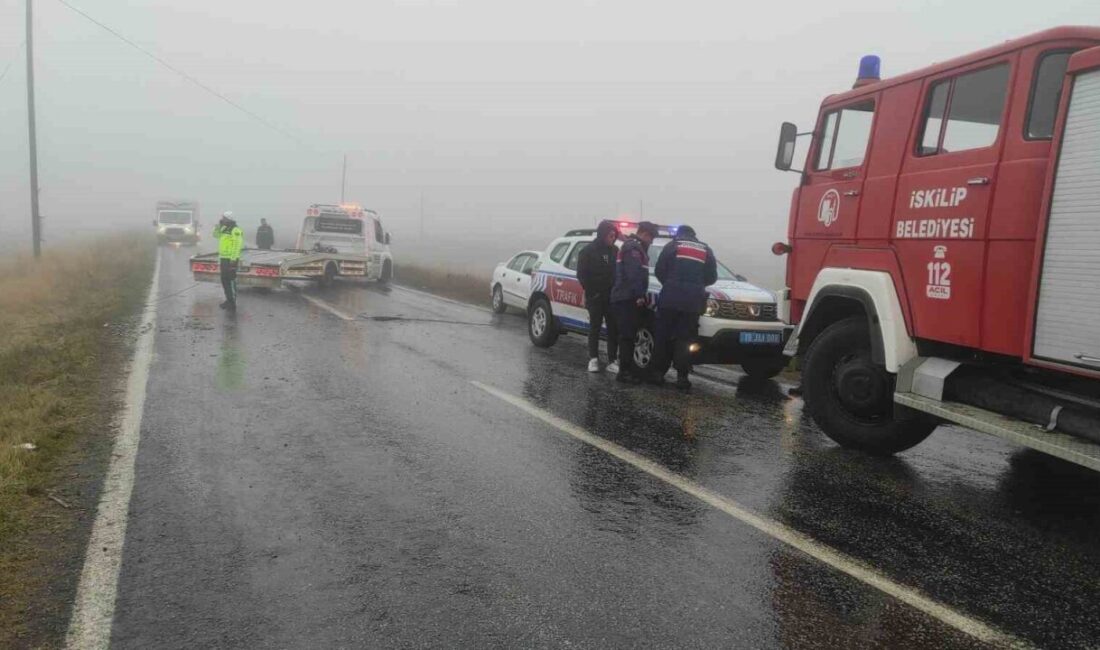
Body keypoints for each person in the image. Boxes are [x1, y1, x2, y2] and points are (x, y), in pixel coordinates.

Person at [653, 225, 718, 390]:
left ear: (679, 234)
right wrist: (697, 286)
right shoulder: (705, 249)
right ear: (694, 235)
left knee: (663, 337)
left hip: (670, 299)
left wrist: (670, 284)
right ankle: (682, 378)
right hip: (692, 303)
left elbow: (659, 270)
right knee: (685, 339)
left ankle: (658, 374)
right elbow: (712, 277)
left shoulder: (672, 246)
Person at [610, 221, 658, 384]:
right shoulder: (633, 248)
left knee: (628, 336)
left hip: (626, 297)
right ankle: (624, 372)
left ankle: (627, 370)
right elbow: (633, 274)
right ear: (644, 234)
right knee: (627, 336)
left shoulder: (635, 247)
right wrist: (639, 295)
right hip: (626, 298)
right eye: (651, 238)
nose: (651, 241)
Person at [577, 221, 620, 373]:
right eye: (610, 236)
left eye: (614, 236)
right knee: (595, 327)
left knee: (613, 328)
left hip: (611, 297)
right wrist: (591, 290)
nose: (612, 239)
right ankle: (593, 359)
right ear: (603, 234)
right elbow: (581, 274)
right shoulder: (588, 251)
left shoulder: (615, 250)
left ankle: (612, 360)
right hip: (595, 296)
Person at [212, 211, 244, 310]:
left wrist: (233, 259)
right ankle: (228, 299)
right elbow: (215, 235)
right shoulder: (224, 228)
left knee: (230, 280)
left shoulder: (235, 230)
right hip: (223, 258)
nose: (222, 219)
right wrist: (218, 227)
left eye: (224, 218)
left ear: (229, 219)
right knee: (224, 280)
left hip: (231, 259)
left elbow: (237, 245)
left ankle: (232, 302)